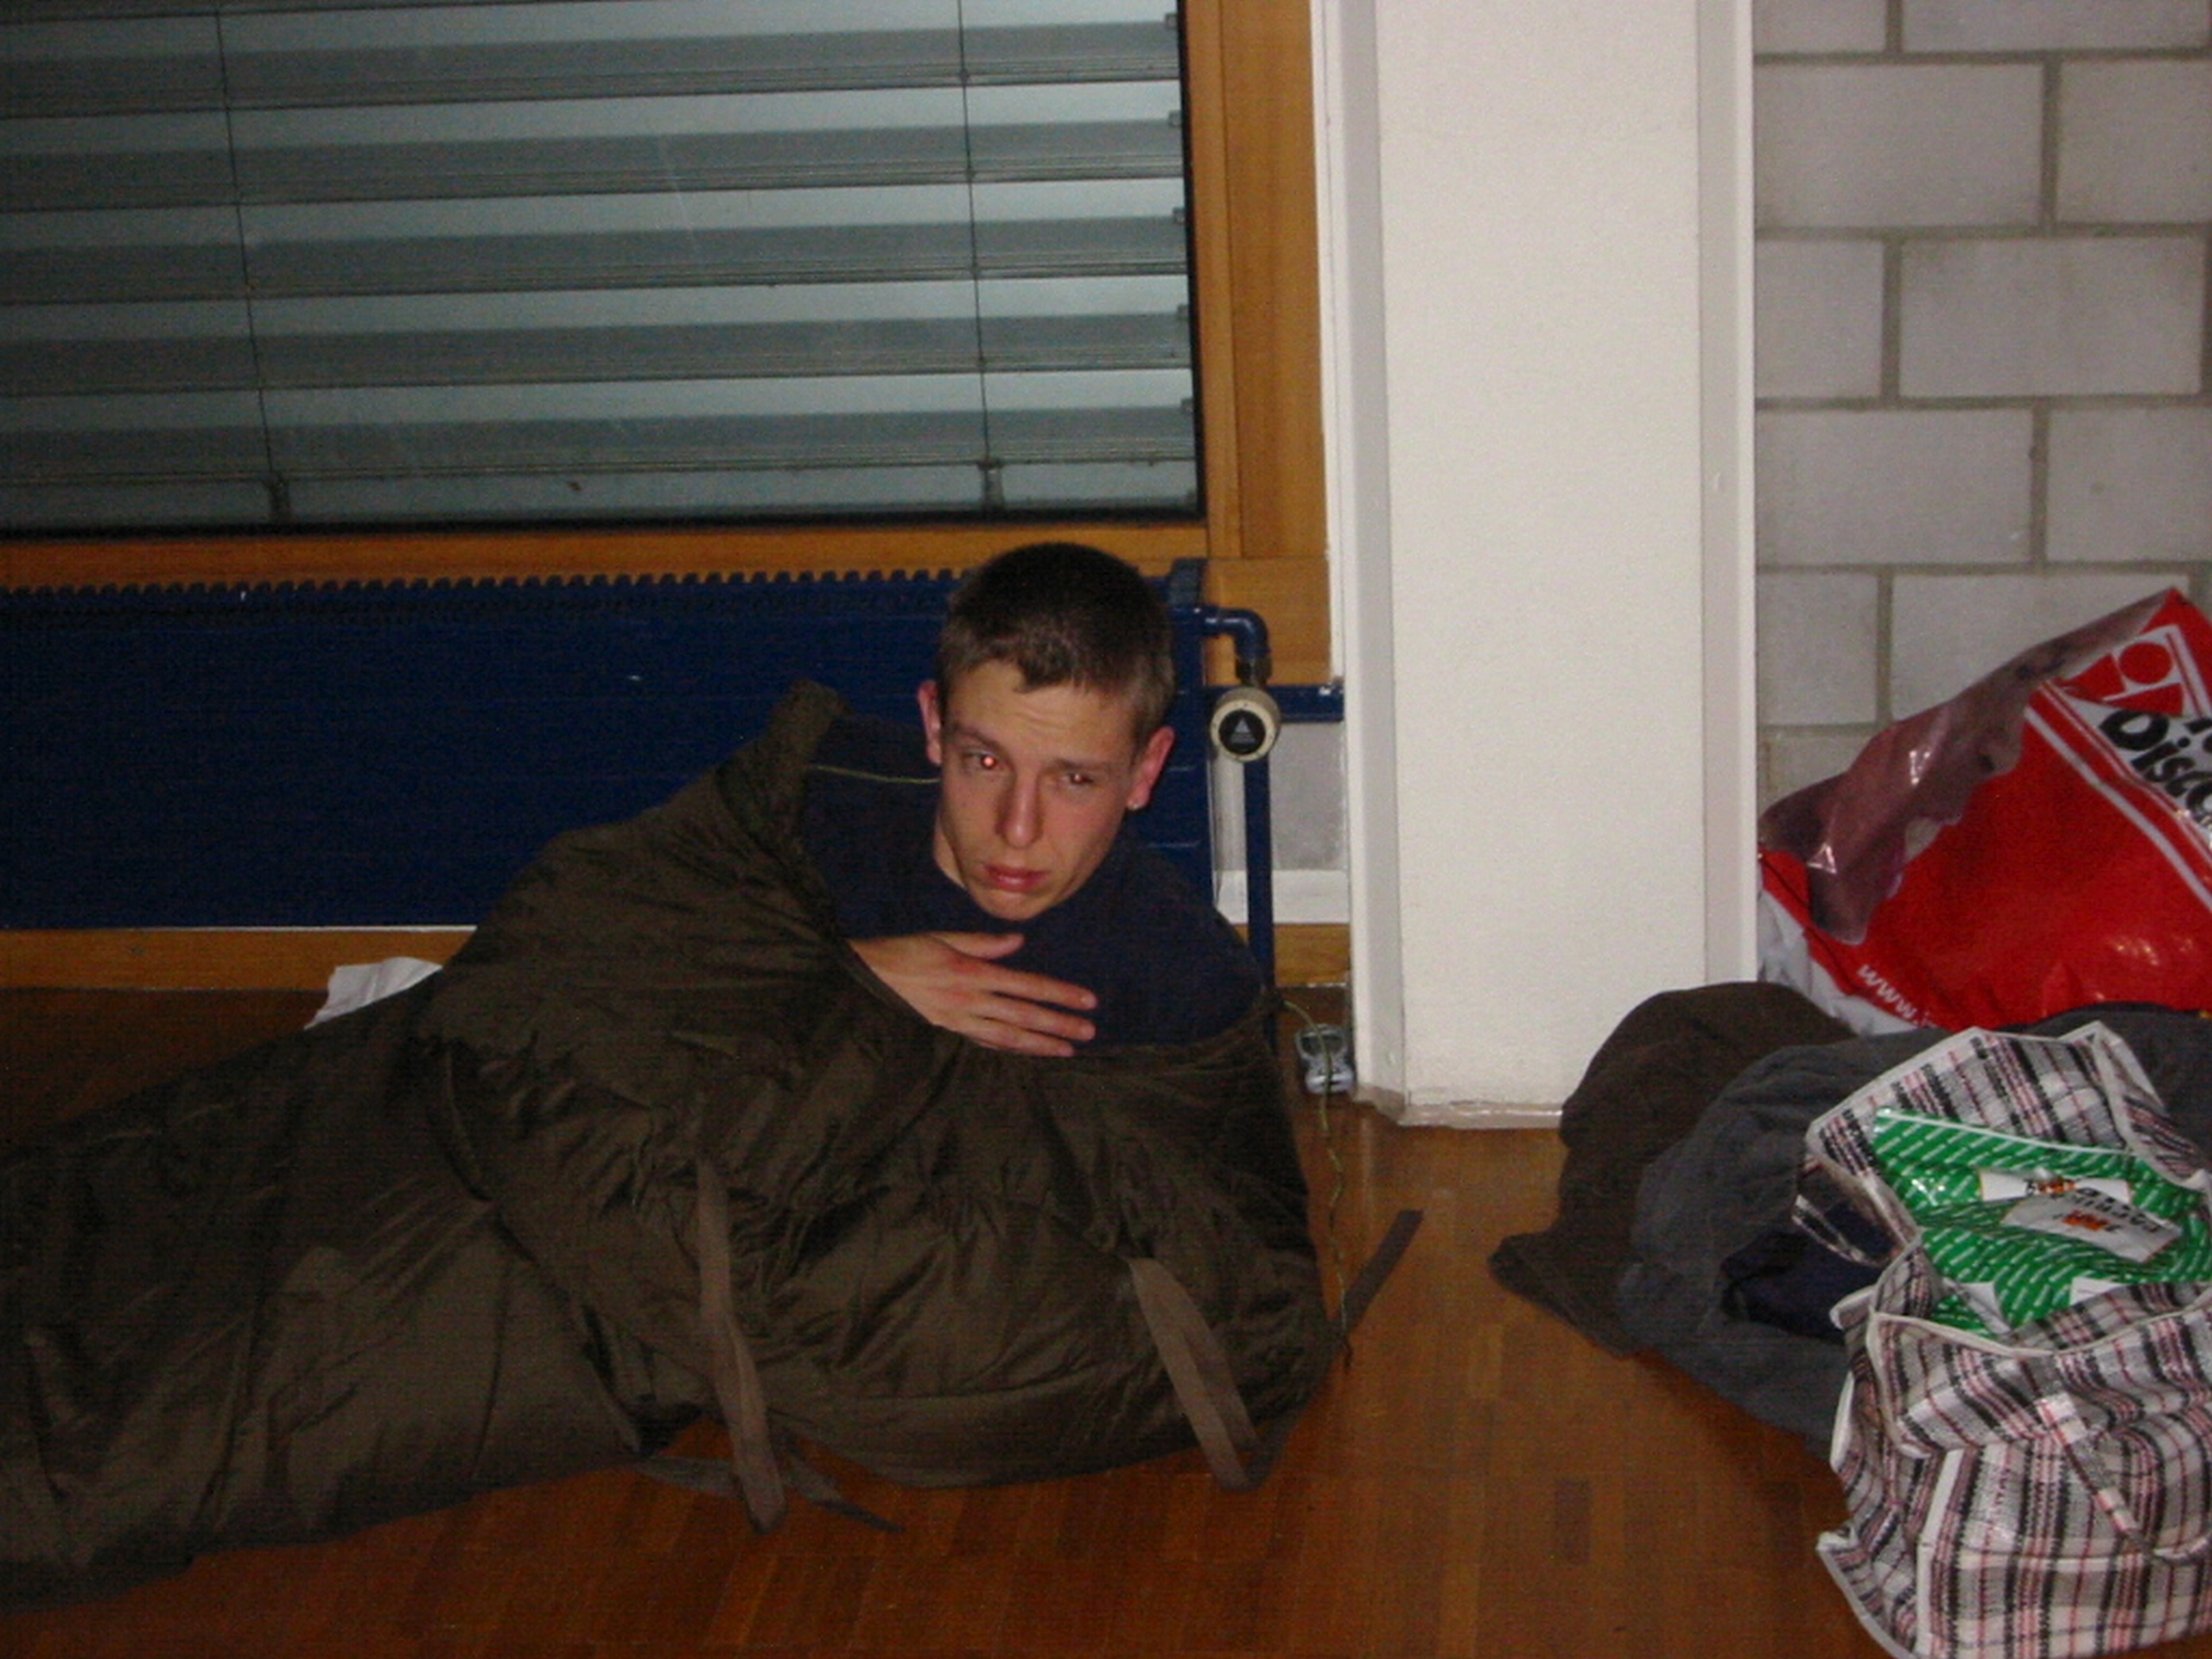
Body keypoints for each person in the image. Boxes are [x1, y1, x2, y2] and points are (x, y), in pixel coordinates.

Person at [798, 541, 1264, 1056]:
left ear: (1145, 771)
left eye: (1075, 780)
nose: (1018, 831)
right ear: (935, 725)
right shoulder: (798, 820)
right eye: (986, 762)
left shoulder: (1190, 987)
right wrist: (842, 978)